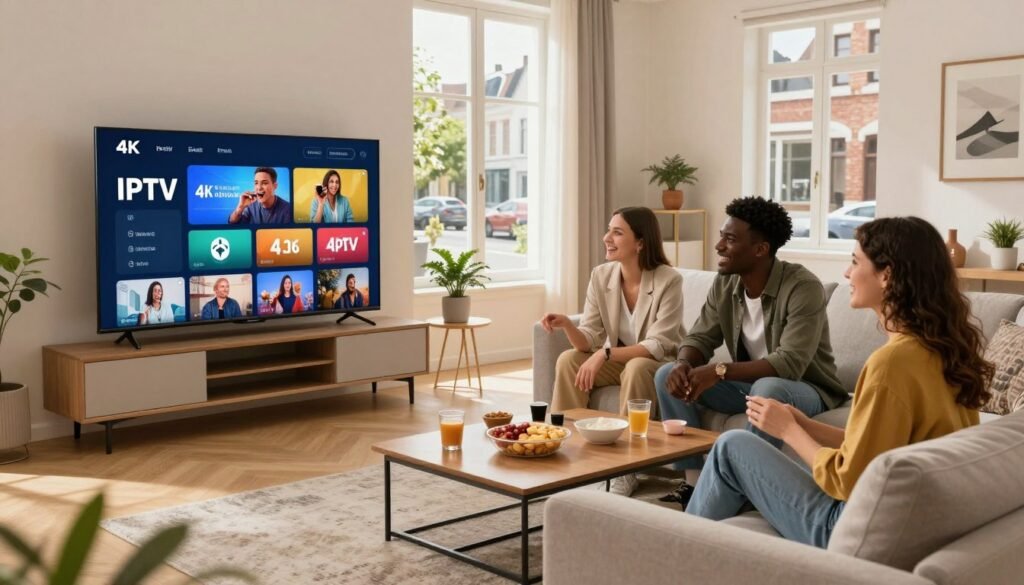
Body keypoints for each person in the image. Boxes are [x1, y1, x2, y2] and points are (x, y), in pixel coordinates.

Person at [685, 217, 991, 548]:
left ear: (886, 275)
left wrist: (789, 431)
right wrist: (805, 424)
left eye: (855, 261)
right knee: (736, 445)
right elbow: (883, 448)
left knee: (731, 447)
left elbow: (846, 480)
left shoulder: (890, 364)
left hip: (848, 524)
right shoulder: (942, 351)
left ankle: (672, 549)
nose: (846, 274)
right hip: (909, 515)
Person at [652, 196, 847, 504]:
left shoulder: (802, 287)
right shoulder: (725, 283)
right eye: (721, 236)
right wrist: (682, 364)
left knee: (768, 388)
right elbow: (700, 337)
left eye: (729, 239)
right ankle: (694, 483)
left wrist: (719, 371)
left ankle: (743, 489)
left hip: (806, 390)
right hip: (750, 388)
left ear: (760, 249)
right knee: (666, 374)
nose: (718, 246)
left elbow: (790, 363)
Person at [541, 207, 684, 494]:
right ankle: (565, 451)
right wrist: (569, 324)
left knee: (637, 366)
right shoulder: (601, 276)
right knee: (569, 359)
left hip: (660, 364)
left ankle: (626, 468)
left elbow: (657, 345)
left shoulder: (669, 280)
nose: (607, 237)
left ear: (641, 242)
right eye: (609, 230)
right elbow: (590, 338)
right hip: (621, 359)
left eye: (617, 232)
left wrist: (604, 354)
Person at [228, 167, 293, 225]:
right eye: (256, 183)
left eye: (264, 183)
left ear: (275, 186)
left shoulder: (288, 210)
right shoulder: (250, 206)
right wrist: (239, 208)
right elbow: (232, 223)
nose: (259, 187)